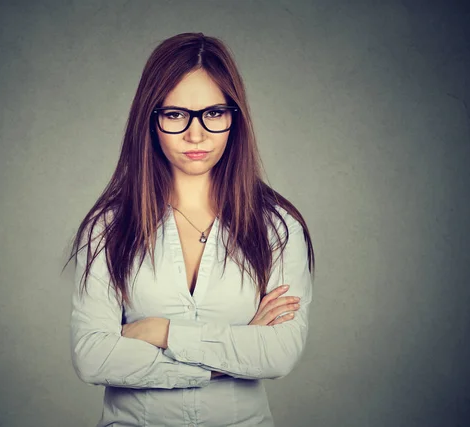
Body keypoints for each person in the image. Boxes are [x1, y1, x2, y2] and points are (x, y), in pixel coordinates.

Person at [65, 32, 315, 427]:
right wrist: (229, 353)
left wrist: (159, 331)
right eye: (175, 114)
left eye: (213, 113)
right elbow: (93, 358)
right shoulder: (107, 228)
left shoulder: (278, 227)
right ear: (150, 120)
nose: (195, 134)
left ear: (235, 118)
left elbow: (279, 354)